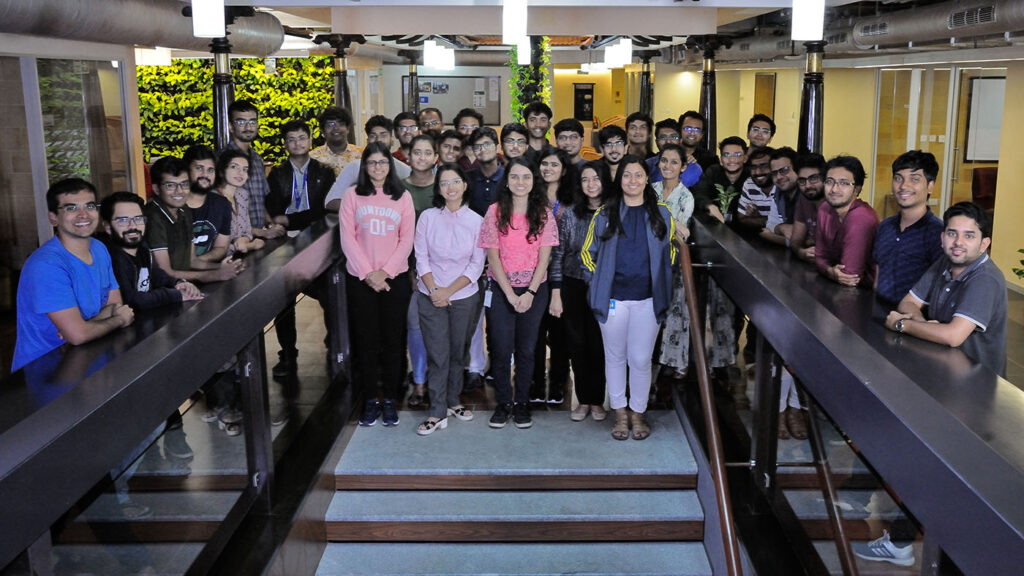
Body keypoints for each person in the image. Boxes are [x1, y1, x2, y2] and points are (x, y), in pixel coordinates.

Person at [582, 155, 674, 441]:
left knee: (641, 358)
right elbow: (587, 253)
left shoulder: (662, 212)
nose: (632, 180)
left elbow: (670, 252)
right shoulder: (605, 213)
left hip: (648, 299)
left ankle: (638, 412)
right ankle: (620, 413)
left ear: (647, 179)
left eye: (638, 175)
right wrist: (598, 282)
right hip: (613, 299)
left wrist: (662, 280)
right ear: (619, 179)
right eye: (626, 175)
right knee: (615, 357)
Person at [13, 178, 134, 372]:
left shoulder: (99, 248)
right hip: (44, 370)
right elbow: (79, 336)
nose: (83, 214)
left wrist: (85, 326)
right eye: (71, 208)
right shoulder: (46, 265)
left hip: (87, 358)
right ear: (53, 217)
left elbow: (115, 306)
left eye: (90, 206)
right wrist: (119, 320)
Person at [339, 142, 416, 427]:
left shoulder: (403, 197)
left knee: (394, 341)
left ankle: (391, 400)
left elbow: (406, 240)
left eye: (382, 162)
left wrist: (385, 272)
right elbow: (348, 238)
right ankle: (371, 399)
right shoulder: (352, 196)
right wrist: (369, 274)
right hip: (361, 281)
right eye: (372, 163)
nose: (378, 167)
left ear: (390, 166)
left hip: (394, 281)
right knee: (366, 341)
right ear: (364, 166)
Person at [478, 157, 558, 430]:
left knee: (527, 349)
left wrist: (530, 292)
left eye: (526, 177)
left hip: (534, 290)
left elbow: (545, 258)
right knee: (500, 348)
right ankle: (503, 403)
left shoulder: (544, 213)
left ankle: (522, 403)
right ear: (507, 180)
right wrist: (511, 295)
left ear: (534, 181)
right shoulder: (494, 212)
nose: (520, 182)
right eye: (514, 176)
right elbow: (493, 257)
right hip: (501, 289)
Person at [885, 202, 1007, 377]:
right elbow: (908, 302)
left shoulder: (986, 279)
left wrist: (901, 325)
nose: (958, 242)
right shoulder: (945, 262)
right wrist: (923, 323)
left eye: (969, 236)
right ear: (942, 238)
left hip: (976, 381)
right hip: (942, 366)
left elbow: (953, 336)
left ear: (984, 244)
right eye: (952, 233)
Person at [413, 164, 486, 435]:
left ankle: (453, 400)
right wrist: (435, 290)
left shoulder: (477, 221)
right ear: (438, 189)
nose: (450, 187)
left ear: (465, 185)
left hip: (464, 296)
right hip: (429, 295)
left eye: (455, 182)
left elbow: (476, 265)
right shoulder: (428, 217)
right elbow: (421, 257)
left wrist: (448, 291)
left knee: (458, 351)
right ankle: (437, 410)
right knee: (438, 354)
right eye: (444, 183)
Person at [266, 120, 336, 398]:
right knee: (283, 300)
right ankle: (287, 352)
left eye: (301, 138)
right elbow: (273, 209)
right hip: (285, 242)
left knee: (328, 294)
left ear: (310, 140)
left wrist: (290, 218)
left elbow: (322, 210)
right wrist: (285, 221)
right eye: (291, 139)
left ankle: (335, 345)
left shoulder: (324, 172)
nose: (297, 143)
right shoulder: (277, 174)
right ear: (285, 144)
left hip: (317, 240)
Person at [550, 161, 609, 421]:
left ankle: (597, 400)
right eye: (585, 179)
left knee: (599, 344)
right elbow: (558, 254)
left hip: (604, 286)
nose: (591, 184)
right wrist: (556, 291)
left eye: (596, 178)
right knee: (577, 342)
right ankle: (583, 400)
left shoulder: (614, 212)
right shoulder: (571, 214)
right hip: (572, 284)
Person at [147, 157, 244, 284]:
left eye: (184, 184)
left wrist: (226, 267)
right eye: (170, 185)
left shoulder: (183, 210)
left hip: (184, 285)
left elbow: (192, 261)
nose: (179, 191)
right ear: (156, 189)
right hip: (163, 290)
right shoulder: (153, 217)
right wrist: (215, 275)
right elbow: (165, 272)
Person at [531, 147, 577, 405]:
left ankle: (558, 381)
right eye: (544, 164)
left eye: (554, 165)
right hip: (533, 274)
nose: (548, 169)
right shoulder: (530, 197)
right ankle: (536, 384)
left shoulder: (573, 199)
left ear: (564, 170)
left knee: (560, 332)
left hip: (564, 273)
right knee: (535, 333)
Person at [100, 192, 203, 310]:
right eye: (123, 220)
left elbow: (155, 274)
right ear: (108, 227)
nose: (133, 226)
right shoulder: (109, 258)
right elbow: (130, 300)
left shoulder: (142, 247)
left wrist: (178, 283)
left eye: (138, 218)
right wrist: (175, 295)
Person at [873, 150, 944, 307]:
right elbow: (877, 275)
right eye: (898, 178)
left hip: (913, 317)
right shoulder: (885, 227)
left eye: (914, 179)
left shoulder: (937, 233)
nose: (904, 186)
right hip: (878, 310)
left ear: (930, 186)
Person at [651, 144, 694, 380]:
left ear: (683, 167)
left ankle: (674, 360)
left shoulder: (686, 196)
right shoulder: (651, 189)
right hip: (647, 258)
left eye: (674, 162)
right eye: (664, 160)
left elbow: (682, 233)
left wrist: (663, 217)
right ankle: (651, 358)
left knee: (675, 310)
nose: (668, 166)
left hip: (672, 261)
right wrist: (670, 220)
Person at [403, 134, 439, 409]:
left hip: (444, 271)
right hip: (408, 270)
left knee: (440, 331)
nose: (422, 157)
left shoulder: (445, 186)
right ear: (408, 156)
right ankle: (419, 382)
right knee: (415, 326)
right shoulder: (398, 189)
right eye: (417, 152)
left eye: (428, 152)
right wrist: (411, 272)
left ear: (436, 157)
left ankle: (441, 382)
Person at [324, 115, 412, 213]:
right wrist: (363, 208)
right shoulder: (354, 167)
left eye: (383, 135)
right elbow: (330, 202)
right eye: (373, 136)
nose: (378, 139)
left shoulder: (404, 170)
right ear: (367, 141)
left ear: (392, 140)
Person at [816, 155, 879, 288]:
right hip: (835, 286)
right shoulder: (825, 209)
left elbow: (850, 275)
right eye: (829, 182)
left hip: (866, 292)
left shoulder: (861, 217)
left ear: (857, 189)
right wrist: (830, 272)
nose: (834, 189)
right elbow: (819, 257)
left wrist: (828, 270)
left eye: (844, 183)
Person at [223, 100, 283, 234]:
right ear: (231, 126)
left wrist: (270, 224)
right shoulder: (223, 160)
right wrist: (262, 233)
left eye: (252, 122)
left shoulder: (256, 159)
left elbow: (260, 201)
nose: (248, 127)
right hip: (236, 239)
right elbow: (224, 212)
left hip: (259, 236)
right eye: (241, 122)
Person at [183, 145, 232, 263]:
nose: (205, 174)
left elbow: (221, 247)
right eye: (199, 168)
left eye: (210, 170)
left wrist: (198, 262)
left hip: (208, 270)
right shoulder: (173, 205)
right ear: (186, 171)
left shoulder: (222, 204)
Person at [213, 150, 266, 256]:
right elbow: (214, 247)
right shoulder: (212, 199)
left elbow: (247, 231)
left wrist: (244, 240)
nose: (241, 173)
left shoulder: (242, 194)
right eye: (234, 167)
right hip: (218, 262)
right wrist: (252, 245)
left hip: (240, 257)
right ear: (221, 170)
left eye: (245, 169)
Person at [788, 153, 827, 263]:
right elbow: (796, 240)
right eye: (802, 181)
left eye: (813, 179)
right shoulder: (804, 199)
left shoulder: (836, 202)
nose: (807, 185)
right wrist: (801, 252)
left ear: (825, 178)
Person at [646, 118, 701, 187]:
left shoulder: (693, 168)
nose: (668, 141)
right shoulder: (647, 165)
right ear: (656, 141)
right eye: (663, 137)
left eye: (674, 137)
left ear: (680, 140)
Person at [310, 106, 362, 176]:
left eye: (341, 123)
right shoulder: (313, 158)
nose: (336, 128)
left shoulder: (362, 155)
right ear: (323, 130)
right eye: (331, 124)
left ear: (348, 129)